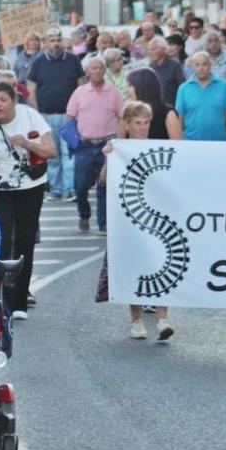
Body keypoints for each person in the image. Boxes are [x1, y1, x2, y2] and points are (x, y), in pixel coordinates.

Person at [0, 81, 55, 320]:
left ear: (14, 102)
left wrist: (27, 143)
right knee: (3, 239)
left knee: (25, 241)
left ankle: (19, 302)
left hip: (30, 187)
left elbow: (51, 150)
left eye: (3, 100)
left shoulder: (30, 116)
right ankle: (2, 299)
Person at [99, 102, 174, 341]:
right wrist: (109, 158)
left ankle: (163, 318)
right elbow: (103, 181)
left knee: (163, 264)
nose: (143, 128)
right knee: (134, 268)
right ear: (128, 124)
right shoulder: (119, 149)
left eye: (146, 123)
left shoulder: (159, 148)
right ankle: (137, 320)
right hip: (129, 218)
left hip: (157, 216)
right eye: (138, 123)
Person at [65, 56, 124, 233]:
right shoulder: (79, 92)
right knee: (80, 186)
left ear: (105, 70)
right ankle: (84, 215)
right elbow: (70, 117)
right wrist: (75, 140)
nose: (97, 71)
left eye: (100, 68)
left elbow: (122, 116)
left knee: (104, 185)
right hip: (85, 144)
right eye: (94, 68)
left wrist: (119, 139)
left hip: (106, 144)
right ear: (87, 72)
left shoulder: (113, 92)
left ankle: (103, 222)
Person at [26, 26, 84, 203]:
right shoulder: (38, 62)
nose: (56, 44)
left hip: (69, 116)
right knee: (53, 154)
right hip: (47, 115)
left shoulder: (73, 60)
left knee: (69, 154)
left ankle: (70, 188)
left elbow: (81, 86)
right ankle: (56, 188)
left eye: (58, 40)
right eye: (52, 40)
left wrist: (79, 111)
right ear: (46, 43)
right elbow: (31, 89)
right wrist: (37, 114)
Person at [175, 51, 226, 142]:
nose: (201, 68)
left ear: (210, 65)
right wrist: (179, 143)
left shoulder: (223, 86)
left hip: (220, 142)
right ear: (192, 66)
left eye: (204, 64)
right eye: (197, 65)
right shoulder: (183, 88)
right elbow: (180, 117)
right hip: (191, 142)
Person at [127, 63, 180, 140]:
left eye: (130, 85)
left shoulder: (168, 113)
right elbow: (120, 140)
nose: (127, 89)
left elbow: (178, 144)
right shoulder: (129, 111)